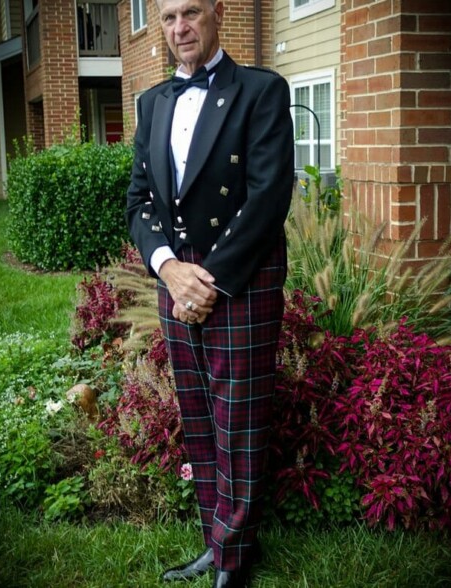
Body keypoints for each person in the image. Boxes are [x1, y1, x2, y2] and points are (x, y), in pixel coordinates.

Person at [126, 0, 294, 586]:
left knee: (238, 419)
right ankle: (214, 540)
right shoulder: (151, 103)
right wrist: (169, 268)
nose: (179, 28)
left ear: (217, 13)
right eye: (168, 16)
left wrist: (210, 279)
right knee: (198, 415)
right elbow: (139, 202)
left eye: (191, 12)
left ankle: (235, 559)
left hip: (239, 275)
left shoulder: (261, 91)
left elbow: (269, 197)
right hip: (178, 278)